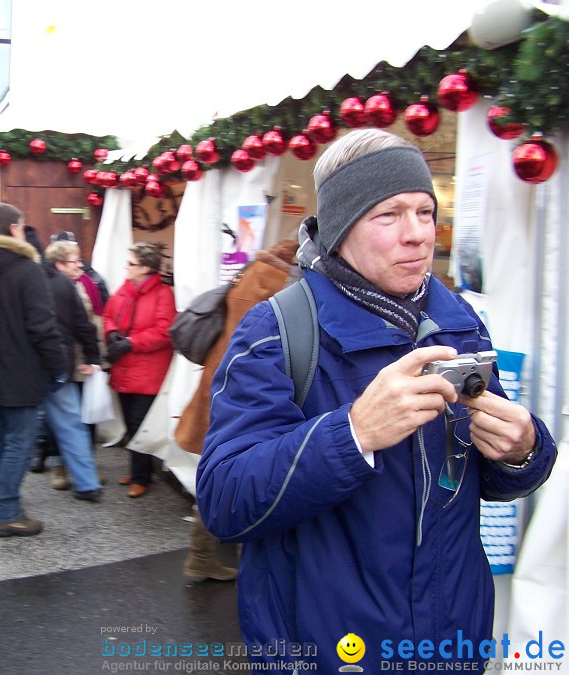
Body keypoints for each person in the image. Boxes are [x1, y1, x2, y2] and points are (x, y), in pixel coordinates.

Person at [196, 129, 557, 672]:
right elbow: (225, 501)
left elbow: (491, 479)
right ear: (341, 228)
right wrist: (354, 434)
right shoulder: (277, 331)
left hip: (452, 641)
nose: (417, 235)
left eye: (424, 211)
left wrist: (523, 449)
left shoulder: (460, 324)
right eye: (387, 215)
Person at [174, 239, 297, 583]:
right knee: (250, 478)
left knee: (223, 473)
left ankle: (201, 556)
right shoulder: (278, 283)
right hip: (246, 391)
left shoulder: (251, 272)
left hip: (220, 383)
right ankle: (248, 565)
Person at [0, 203, 67, 537]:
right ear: (14, 229)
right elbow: (42, 325)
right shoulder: (28, 270)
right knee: (18, 443)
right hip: (22, 371)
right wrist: (59, 366)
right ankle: (7, 511)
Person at [102, 241, 176, 498]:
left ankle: (142, 476)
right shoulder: (125, 289)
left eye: (131, 263)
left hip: (147, 371)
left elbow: (164, 331)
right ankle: (136, 471)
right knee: (129, 423)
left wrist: (132, 342)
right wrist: (111, 333)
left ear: (145, 268)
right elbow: (108, 314)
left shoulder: (163, 294)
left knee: (140, 423)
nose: (127, 267)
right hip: (125, 367)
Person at [41, 239, 103, 501]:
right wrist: (94, 357)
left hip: (30, 364)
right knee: (70, 423)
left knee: (18, 431)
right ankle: (86, 482)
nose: (80, 265)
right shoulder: (67, 286)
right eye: (74, 261)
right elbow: (84, 326)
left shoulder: (35, 282)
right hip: (59, 364)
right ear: (59, 264)